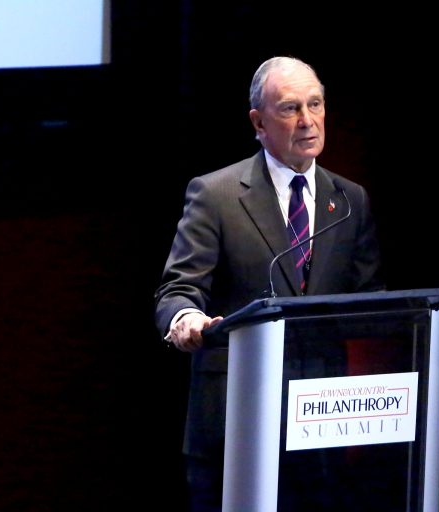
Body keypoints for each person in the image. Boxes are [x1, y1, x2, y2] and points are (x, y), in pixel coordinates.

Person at [153, 56, 384, 511]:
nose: (307, 121)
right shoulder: (216, 194)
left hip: (319, 424)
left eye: (315, 105)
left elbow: (368, 298)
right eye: (290, 108)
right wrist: (186, 318)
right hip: (234, 420)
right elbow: (178, 288)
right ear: (258, 122)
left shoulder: (350, 199)